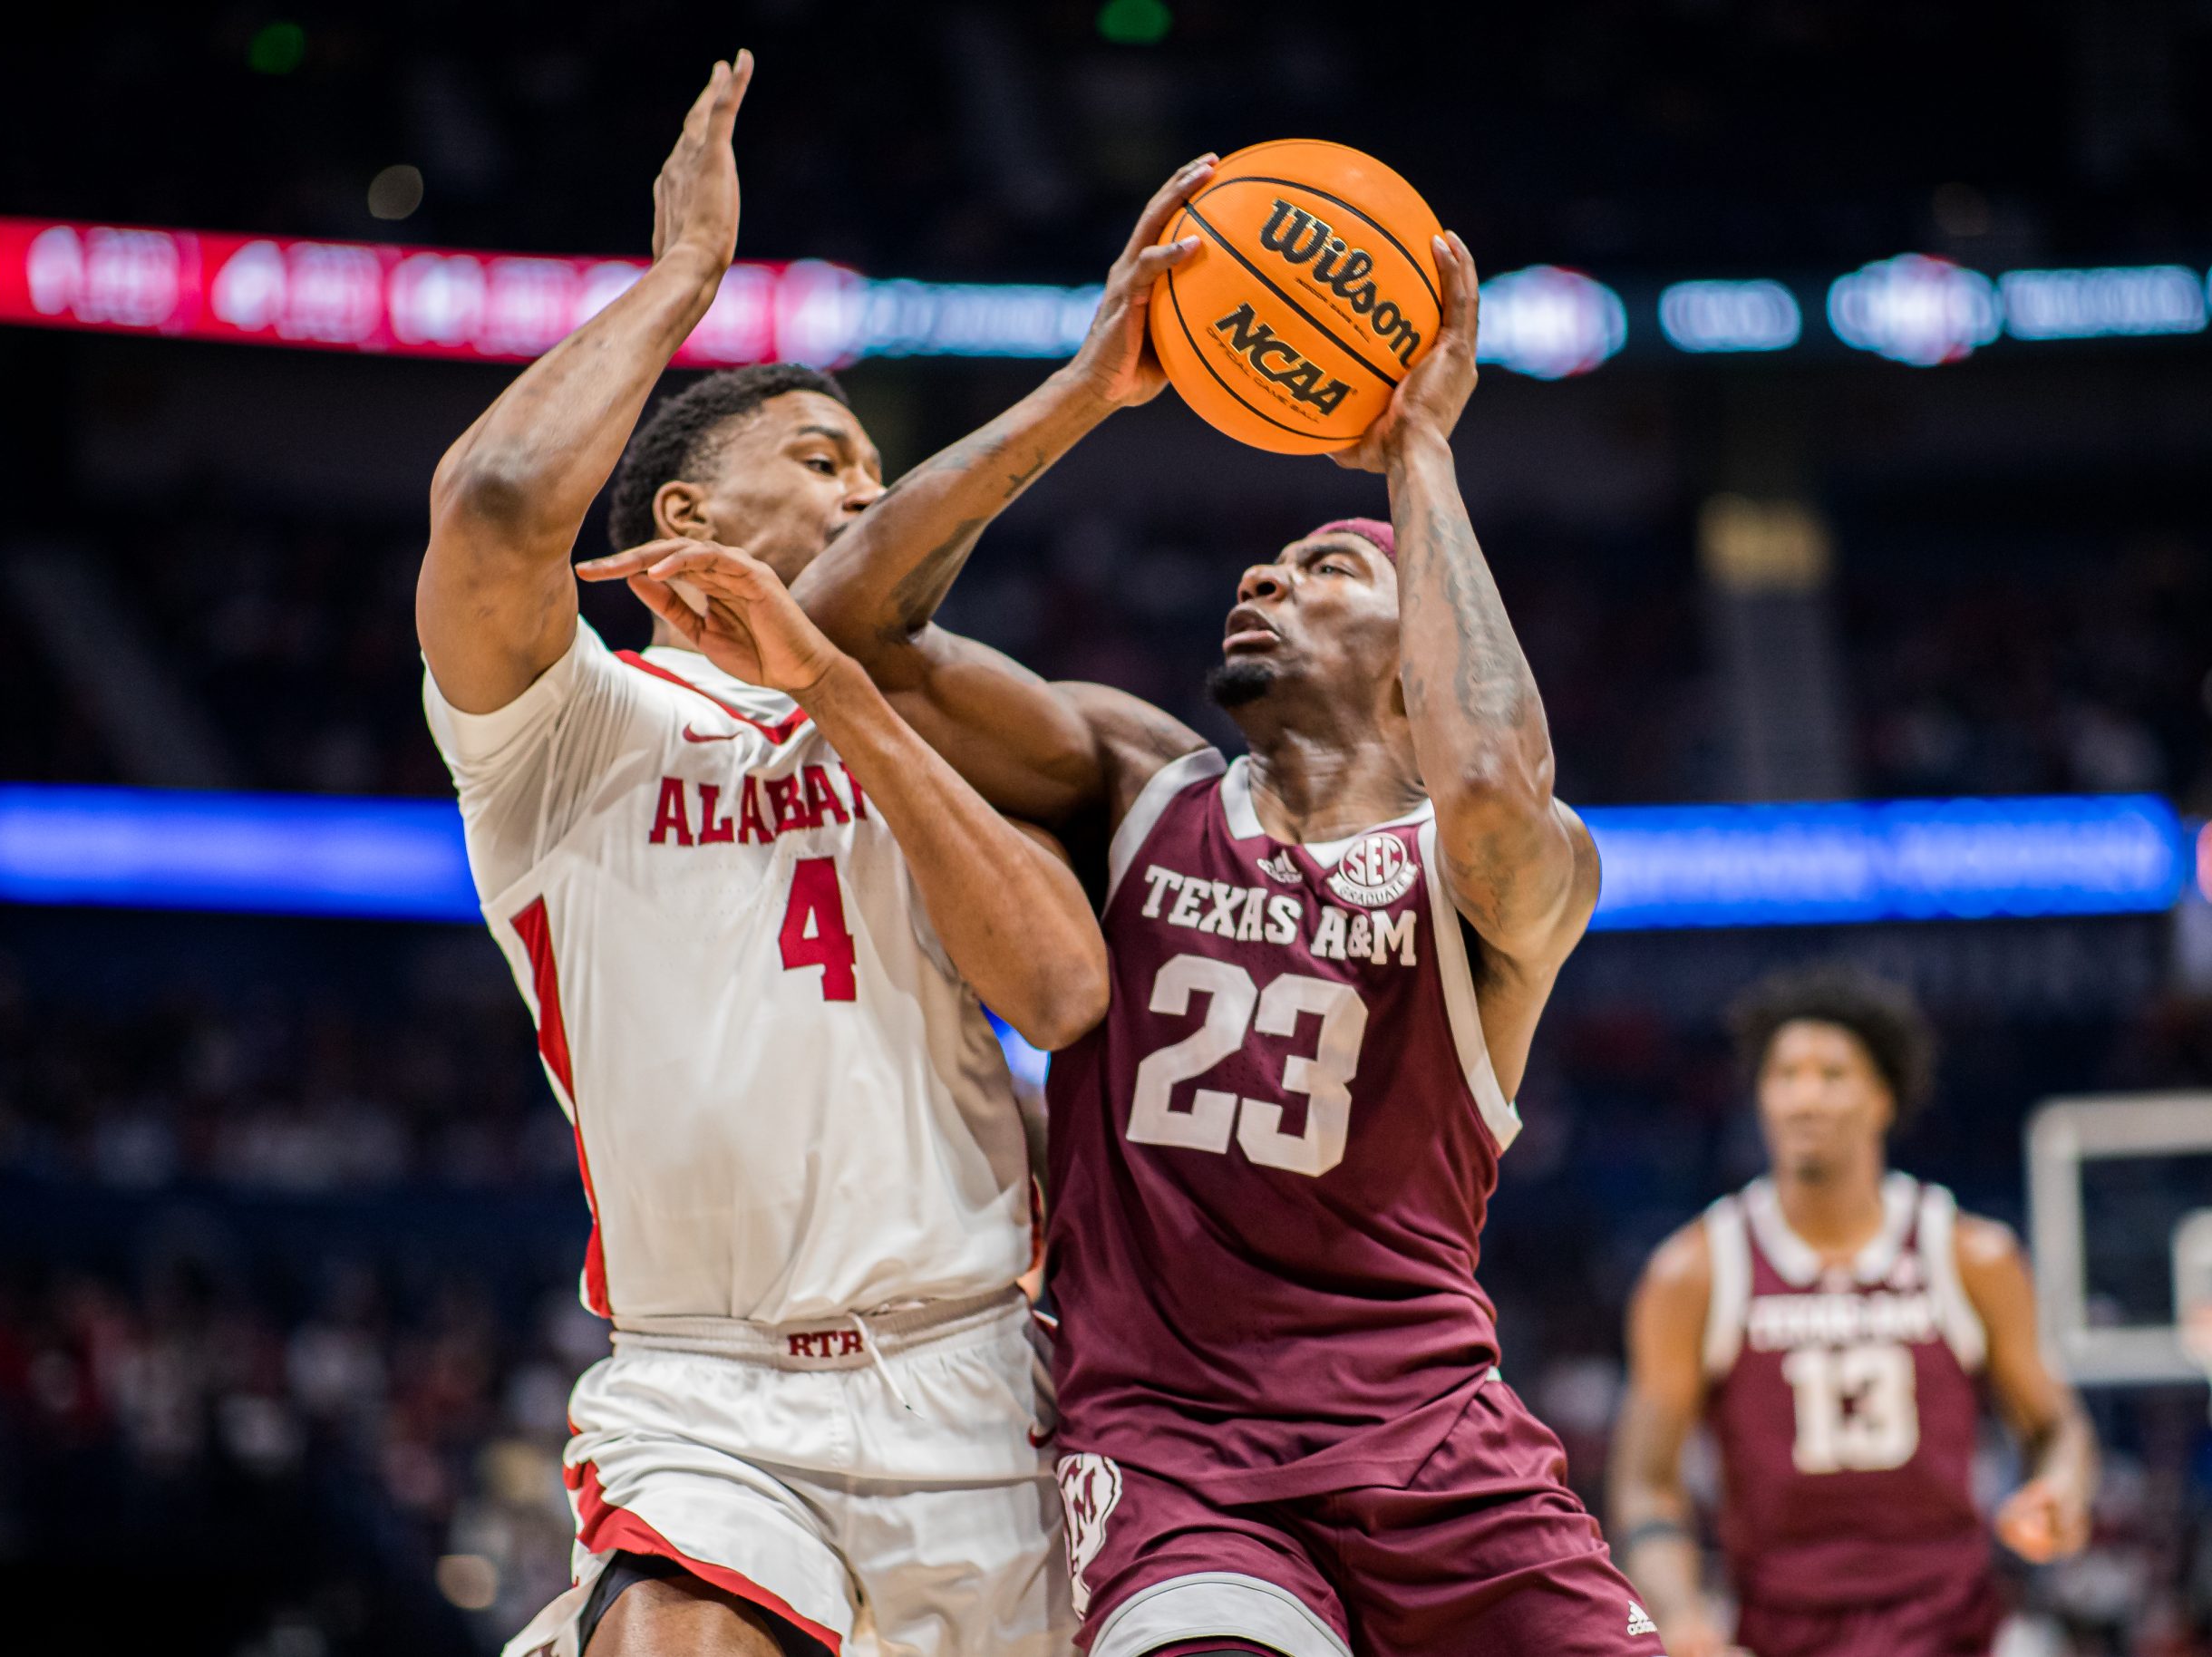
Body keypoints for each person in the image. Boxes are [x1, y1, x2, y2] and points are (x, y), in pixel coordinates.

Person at [616, 170, 1661, 1655]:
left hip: (1431, 1435)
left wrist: (1416, 453)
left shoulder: (1508, 875)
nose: (1264, 570)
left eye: (1323, 568)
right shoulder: (1133, 778)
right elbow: (850, 624)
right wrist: (1091, 386)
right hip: (1175, 1451)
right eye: (1273, 556)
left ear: (1414, 646)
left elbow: (1491, 766)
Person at [417, 53, 1108, 1657]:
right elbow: (503, 499)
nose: (869, 494)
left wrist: (847, 697)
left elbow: (1065, 992)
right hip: (707, 1385)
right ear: (686, 513)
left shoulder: (927, 725)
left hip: (979, 1377)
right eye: (822, 460)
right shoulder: (565, 725)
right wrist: (683, 281)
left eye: (878, 474)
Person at [1608, 966, 2100, 1657]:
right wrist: (1680, 1613)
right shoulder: (1694, 1271)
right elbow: (1646, 1484)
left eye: (1832, 1075)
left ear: (1883, 1098)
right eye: (1785, 1075)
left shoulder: (1971, 1255)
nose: (1804, 1097)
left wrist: (2059, 1491)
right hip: (1777, 1626)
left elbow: (2056, 1425)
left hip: (1953, 1625)